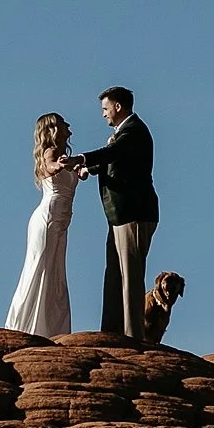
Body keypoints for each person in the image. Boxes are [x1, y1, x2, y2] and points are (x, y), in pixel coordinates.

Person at [77, 87, 157, 345]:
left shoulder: (133, 131)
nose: (103, 115)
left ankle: (133, 338)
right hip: (119, 217)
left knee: (131, 277)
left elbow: (114, 153)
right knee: (114, 274)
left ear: (118, 107)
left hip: (134, 214)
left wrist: (82, 158)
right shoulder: (123, 135)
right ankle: (110, 332)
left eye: (105, 108)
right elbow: (113, 160)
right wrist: (87, 167)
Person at [3, 113, 78, 336]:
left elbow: (76, 172)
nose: (68, 126)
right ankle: (23, 325)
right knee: (39, 268)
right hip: (47, 219)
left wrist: (78, 167)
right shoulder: (50, 152)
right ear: (53, 129)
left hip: (60, 221)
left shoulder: (65, 155)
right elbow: (49, 166)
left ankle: (51, 328)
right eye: (64, 123)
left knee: (54, 271)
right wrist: (60, 166)